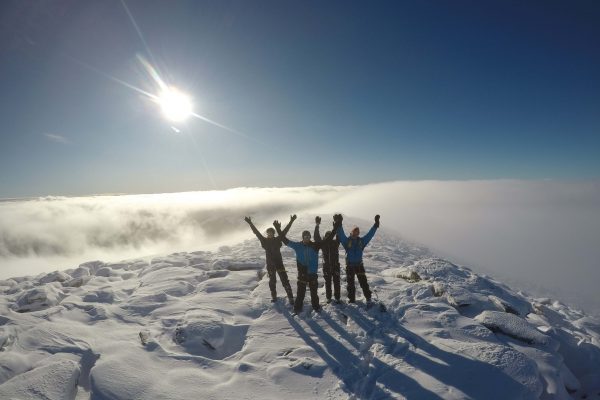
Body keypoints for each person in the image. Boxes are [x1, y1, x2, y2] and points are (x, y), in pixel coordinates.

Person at [274, 220, 323, 314]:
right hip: (302, 274)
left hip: (312, 274)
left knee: (314, 293)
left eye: (309, 237)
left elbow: (325, 240)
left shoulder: (314, 246)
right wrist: (278, 229)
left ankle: (316, 307)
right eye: (305, 237)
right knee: (301, 294)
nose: (307, 238)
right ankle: (297, 309)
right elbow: (285, 240)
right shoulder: (297, 246)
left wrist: (318, 225)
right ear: (303, 237)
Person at [244, 215, 295, 304]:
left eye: (271, 232)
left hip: (279, 264)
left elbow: (285, 231)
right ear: (267, 233)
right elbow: (256, 232)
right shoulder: (264, 241)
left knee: (285, 280)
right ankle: (274, 296)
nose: (270, 234)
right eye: (268, 233)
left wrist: (291, 221)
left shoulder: (278, 239)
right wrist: (250, 223)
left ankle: (290, 297)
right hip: (270, 265)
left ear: (273, 233)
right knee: (272, 282)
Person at [333, 214, 380, 304]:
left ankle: (368, 298)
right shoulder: (347, 241)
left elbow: (370, 235)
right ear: (351, 232)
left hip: (359, 265)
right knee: (350, 284)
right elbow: (341, 234)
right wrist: (339, 223)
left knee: (364, 283)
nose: (356, 233)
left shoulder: (361, 241)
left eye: (357, 232)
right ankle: (352, 300)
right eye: (355, 231)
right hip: (350, 266)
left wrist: (375, 225)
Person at [314, 216, 341, 304]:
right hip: (326, 266)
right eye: (327, 235)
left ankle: (337, 298)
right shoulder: (323, 244)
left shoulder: (335, 243)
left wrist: (337, 226)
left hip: (335, 266)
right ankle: (329, 297)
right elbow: (316, 237)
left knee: (336, 282)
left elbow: (339, 236)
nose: (328, 237)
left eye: (329, 235)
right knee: (328, 283)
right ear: (325, 237)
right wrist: (317, 225)